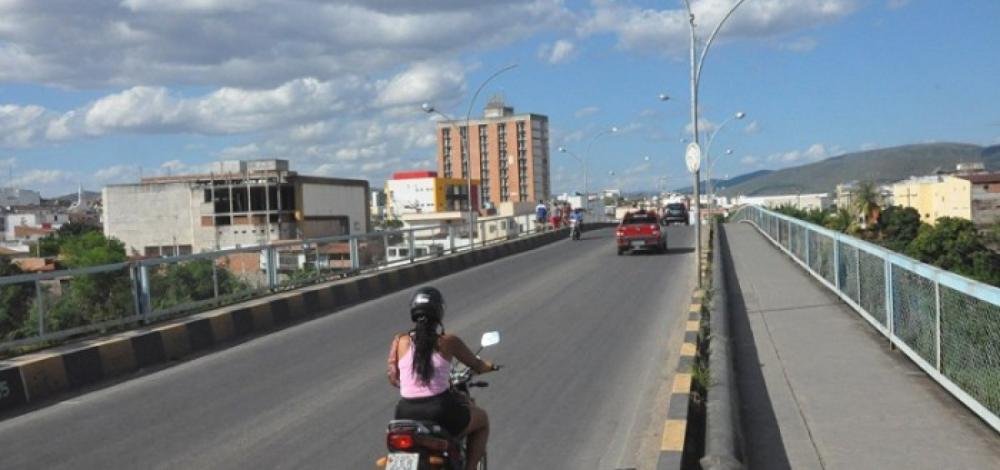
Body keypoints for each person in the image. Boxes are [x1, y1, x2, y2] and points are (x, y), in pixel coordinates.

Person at [387, 287, 498, 470]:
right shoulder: (448, 341)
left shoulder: (401, 342)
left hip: (404, 412)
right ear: (439, 312)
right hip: (439, 411)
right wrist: (490, 366)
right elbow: (477, 365)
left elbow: (394, 377)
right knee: (482, 420)